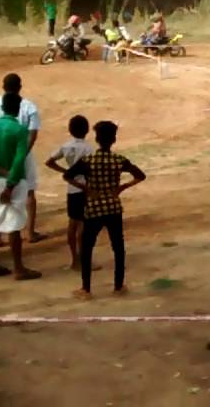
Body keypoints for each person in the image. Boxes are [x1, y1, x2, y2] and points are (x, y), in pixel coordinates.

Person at [63, 120, 147, 298]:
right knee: (118, 247)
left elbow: (67, 175)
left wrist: (87, 189)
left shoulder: (89, 161)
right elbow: (140, 175)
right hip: (113, 207)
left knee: (87, 248)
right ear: (113, 140)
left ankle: (86, 288)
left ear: (97, 139)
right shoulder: (118, 160)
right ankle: (118, 286)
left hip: (94, 208)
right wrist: (121, 188)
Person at [0, 93, 41, 280]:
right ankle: (18, 268)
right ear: (18, 108)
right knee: (14, 223)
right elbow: (19, 159)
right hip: (14, 182)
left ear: (3, 107)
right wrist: (10, 181)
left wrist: (1, 173)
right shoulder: (20, 130)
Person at [0, 74, 45, 242]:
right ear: (20, 86)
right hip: (22, 154)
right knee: (29, 192)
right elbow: (32, 134)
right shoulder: (28, 106)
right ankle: (30, 232)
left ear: (3, 86)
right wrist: (22, 154)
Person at [46, 115, 96, 271]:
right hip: (84, 187)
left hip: (71, 189)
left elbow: (49, 162)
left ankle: (74, 260)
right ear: (87, 130)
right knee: (83, 225)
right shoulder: (88, 148)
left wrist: (66, 171)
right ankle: (83, 260)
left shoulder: (66, 146)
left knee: (72, 224)